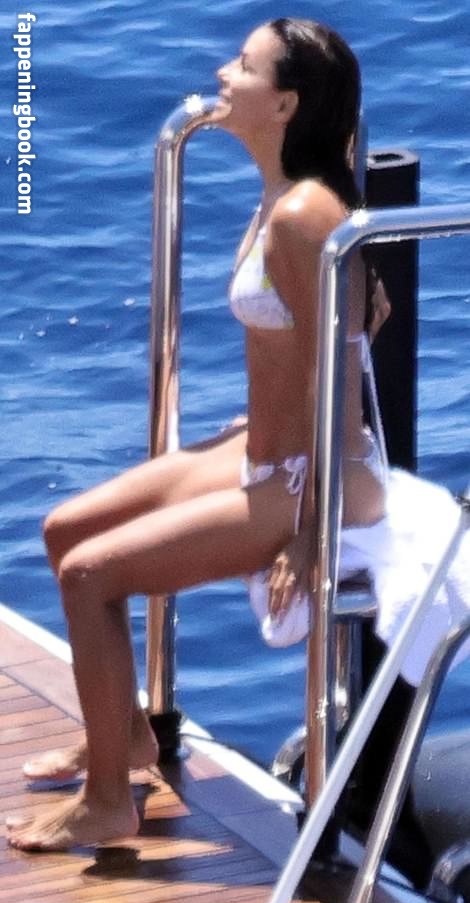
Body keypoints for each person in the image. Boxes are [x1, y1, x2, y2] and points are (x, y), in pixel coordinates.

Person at [7, 18, 389, 850]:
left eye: (244, 66)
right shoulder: (284, 195)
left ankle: (109, 803)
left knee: (88, 575)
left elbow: (341, 382)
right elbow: (353, 321)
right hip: (264, 452)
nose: (222, 73)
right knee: (65, 529)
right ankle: (124, 741)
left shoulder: (300, 215)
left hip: (305, 479)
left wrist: (310, 532)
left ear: (284, 104)